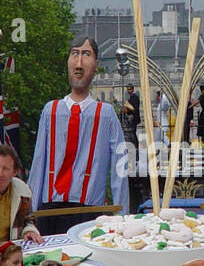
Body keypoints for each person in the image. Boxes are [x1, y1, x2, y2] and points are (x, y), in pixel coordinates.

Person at [28, 34, 129, 234]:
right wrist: (29, 215)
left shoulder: (106, 114)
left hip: (89, 212)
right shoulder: (51, 110)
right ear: (67, 61)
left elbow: (120, 167)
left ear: (96, 65)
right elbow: (38, 162)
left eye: (86, 55)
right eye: (75, 54)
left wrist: (121, 213)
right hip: (50, 211)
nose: (79, 63)